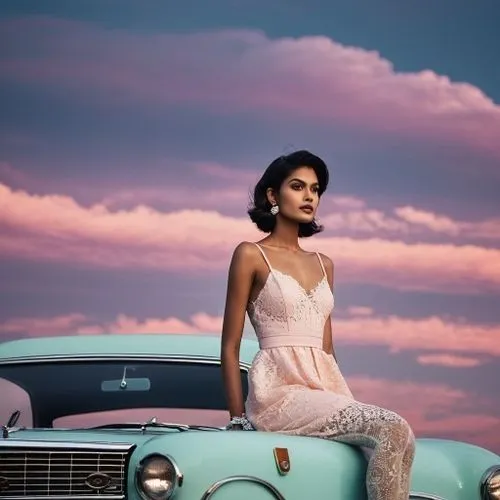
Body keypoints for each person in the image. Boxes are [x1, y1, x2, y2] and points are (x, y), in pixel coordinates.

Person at [220, 150, 415, 499]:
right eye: (298, 186)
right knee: (393, 428)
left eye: (316, 189)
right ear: (272, 195)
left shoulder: (325, 264)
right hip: (280, 394)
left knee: (403, 439)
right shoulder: (250, 254)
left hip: (325, 387)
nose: (310, 196)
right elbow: (230, 346)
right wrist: (237, 420)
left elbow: (327, 349)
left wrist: (343, 397)